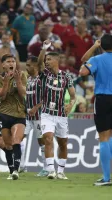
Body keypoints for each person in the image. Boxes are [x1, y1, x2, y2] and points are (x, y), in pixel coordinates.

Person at [38, 40, 76, 180]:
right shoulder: (45, 74)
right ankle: (50, 170)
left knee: (63, 143)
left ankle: (61, 171)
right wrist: (44, 48)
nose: (46, 61)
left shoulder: (66, 77)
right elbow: (39, 63)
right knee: (48, 139)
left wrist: (71, 104)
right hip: (47, 113)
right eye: (46, 59)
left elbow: (73, 96)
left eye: (49, 59)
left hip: (61, 115)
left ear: (56, 60)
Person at [79, 33, 112, 186]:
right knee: (110, 135)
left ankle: (106, 178)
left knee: (103, 138)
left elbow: (82, 70)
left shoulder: (97, 59)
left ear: (101, 45)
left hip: (103, 99)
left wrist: (94, 47)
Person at [0, 54, 27, 180]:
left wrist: (18, 81)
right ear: (3, 65)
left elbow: (23, 93)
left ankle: (16, 171)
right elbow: (2, 96)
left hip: (19, 114)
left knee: (16, 141)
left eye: (13, 61)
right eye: (8, 61)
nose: (11, 63)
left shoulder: (21, 75)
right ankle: (11, 170)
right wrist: (6, 82)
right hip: (4, 114)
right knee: (8, 145)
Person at [24, 56, 47, 177]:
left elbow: (46, 97)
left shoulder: (41, 79)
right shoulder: (29, 79)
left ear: (35, 66)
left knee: (41, 142)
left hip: (39, 116)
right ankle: (21, 165)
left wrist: (36, 107)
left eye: (29, 65)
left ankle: (46, 168)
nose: (26, 67)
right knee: (19, 138)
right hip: (27, 116)